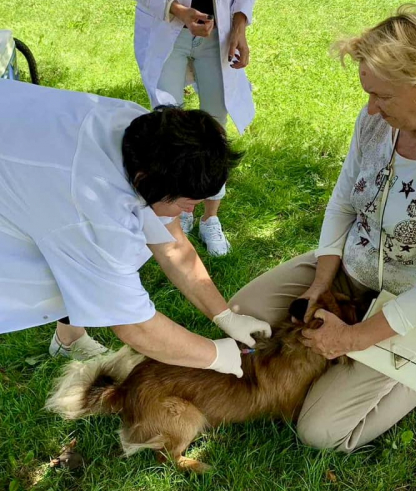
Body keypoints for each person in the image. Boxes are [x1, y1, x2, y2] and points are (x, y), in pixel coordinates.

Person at [228, 5, 416, 452]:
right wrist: (320, 281)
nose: (371, 108)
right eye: (368, 94)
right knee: (240, 317)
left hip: (410, 301)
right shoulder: (377, 120)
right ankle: (361, 355)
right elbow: (342, 201)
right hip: (348, 269)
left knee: (320, 431)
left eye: (383, 96)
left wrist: (350, 338)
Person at [0, 80, 270, 370]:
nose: (190, 211)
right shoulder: (95, 216)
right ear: (145, 182)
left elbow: (173, 247)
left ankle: (69, 338)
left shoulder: (146, 132)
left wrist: (224, 315)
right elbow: (133, 325)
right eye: (186, 203)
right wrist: (214, 356)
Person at [114, 0, 262, 255]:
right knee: (168, 126)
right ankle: (173, 216)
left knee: (215, 123)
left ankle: (210, 216)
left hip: (219, 32)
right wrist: (177, 9)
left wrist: (238, 25)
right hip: (167, 26)